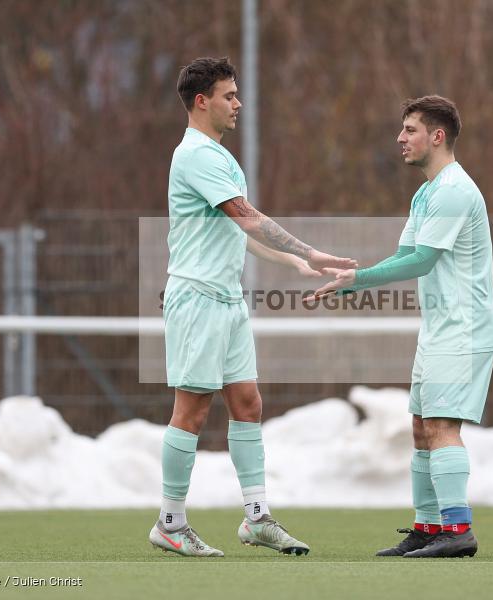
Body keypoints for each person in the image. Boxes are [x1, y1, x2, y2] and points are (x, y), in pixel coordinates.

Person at [149, 56, 357, 558]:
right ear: (202, 102)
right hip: (196, 297)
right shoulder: (196, 155)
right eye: (229, 95)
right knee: (192, 410)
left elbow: (238, 229)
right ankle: (170, 523)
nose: (238, 103)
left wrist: (293, 262)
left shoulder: (219, 156)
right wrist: (308, 249)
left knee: (247, 404)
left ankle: (257, 518)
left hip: (227, 299)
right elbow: (247, 216)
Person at [311, 96, 493, 558]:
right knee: (420, 427)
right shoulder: (427, 192)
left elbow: (423, 260)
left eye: (410, 129)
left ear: (437, 137)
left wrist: (361, 279)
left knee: (440, 425)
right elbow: (404, 256)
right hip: (440, 329)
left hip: (464, 329)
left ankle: (458, 533)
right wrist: (353, 283)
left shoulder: (455, 189)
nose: (400, 138)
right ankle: (429, 527)